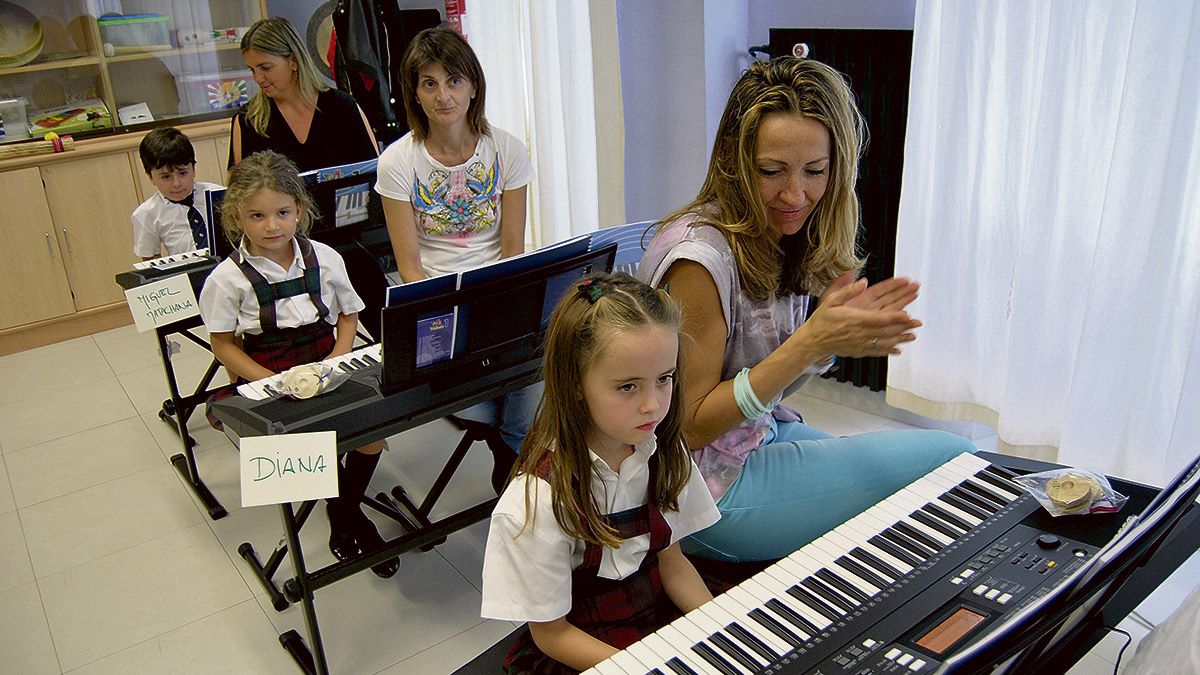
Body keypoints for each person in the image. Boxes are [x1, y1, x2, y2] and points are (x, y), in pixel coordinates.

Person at [637, 57, 976, 564]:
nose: (795, 195)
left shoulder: (780, 236)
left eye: (815, 171)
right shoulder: (698, 261)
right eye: (771, 171)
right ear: (735, 162)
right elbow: (688, 425)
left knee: (921, 480)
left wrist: (824, 343)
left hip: (754, 437)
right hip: (696, 494)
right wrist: (809, 344)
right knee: (953, 460)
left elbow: (765, 386)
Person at [481, 273, 720, 673]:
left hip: (654, 621)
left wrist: (722, 632)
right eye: (628, 387)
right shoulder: (537, 502)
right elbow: (552, 634)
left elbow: (672, 563)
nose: (653, 405)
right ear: (575, 383)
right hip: (585, 650)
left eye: (665, 379)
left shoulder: (663, 453)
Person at [199, 150, 399, 578]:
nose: (271, 226)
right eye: (256, 216)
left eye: (282, 213)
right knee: (308, 452)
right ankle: (348, 517)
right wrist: (271, 381)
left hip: (327, 360)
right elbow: (222, 344)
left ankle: (345, 513)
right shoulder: (227, 278)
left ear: (300, 211)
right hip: (268, 372)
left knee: (371, 434)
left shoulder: (325, 257)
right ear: (236, 217)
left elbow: (349, 313)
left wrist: (338, 354)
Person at [375, 26, 537, 492]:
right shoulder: (398, 162)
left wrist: (503, 311)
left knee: (537, 374)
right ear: (415, 93)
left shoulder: (506, 149)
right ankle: (513, 463)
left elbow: (513, 250)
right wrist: (443, 317)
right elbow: (409, 268)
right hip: (440, 304)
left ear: (473, 86)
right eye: (429, 83)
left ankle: (511, 469)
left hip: (500, 293)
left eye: (454, 80)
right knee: (488, 408)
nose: (443, 95)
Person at [228, 16, 389, 340]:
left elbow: (378, 176)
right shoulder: (249, 122)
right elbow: (237, 198)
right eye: (252, 70)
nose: (258, 78)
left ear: (293, 61)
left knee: (379, 299)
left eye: (265, 67)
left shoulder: (342, 106)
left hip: (347, 236)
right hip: (279, 247)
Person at [132, 127, 223, 260]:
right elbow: (150, 261)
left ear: (193, 169)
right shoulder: (146, 214)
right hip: (186, 274)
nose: (177, 183)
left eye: (183, 173)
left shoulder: (218, 195)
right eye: (166, 177)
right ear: (150, 177)